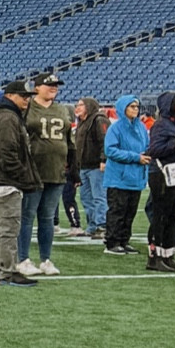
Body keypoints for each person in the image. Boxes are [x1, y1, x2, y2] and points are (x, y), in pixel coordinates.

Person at [0, 79, 40, 286]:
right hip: (3, 182)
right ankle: (8, 271)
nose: (27, 100)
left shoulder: (4, 116)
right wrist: (22, 175)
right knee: (7, 230)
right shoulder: (8, 118)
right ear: (10, 96)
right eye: (23, 96)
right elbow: (8, 153)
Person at [16, 71, 74, 277]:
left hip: (56, 170)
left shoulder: (63, 109)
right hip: (32, 170)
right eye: (49, 85)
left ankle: (46, 259)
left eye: (56, 85)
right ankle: (22, 258)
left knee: (48, 217)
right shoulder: (28, 107)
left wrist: (73, 168)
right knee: (27, 216)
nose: (54, 88)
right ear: (37, 87)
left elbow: (69, 140)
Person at [145, 90, 175, 273]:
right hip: (162, 175)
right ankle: (153, 257)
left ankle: (167, 255)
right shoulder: (161, 125)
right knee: (161, 216)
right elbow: (154, 151)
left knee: (174, 215)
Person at [102, 96, 148, 255]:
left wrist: (146, 155)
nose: (135, 109)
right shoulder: (115, 128)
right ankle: (112, 242)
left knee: (130, 212)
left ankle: (124, 240)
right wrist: (136, 157)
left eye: (137, 106)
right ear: (123, 108)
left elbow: (147, 146)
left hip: (136, 177)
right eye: (132, 106)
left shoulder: (141, 127)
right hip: (118, 178)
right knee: (117, 211)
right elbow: (110, 150)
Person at [72, 96, 108, 242]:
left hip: (95, 166)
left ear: (89, 106)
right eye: (77, 105)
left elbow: (105, 141)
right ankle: (92, 226)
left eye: (81, 105)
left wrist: (103, 160)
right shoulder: (82, 122)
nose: (77, 107)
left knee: (99, 196)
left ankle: (102, 225)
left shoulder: (99, 120)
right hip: (84, 167)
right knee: (86, 198)